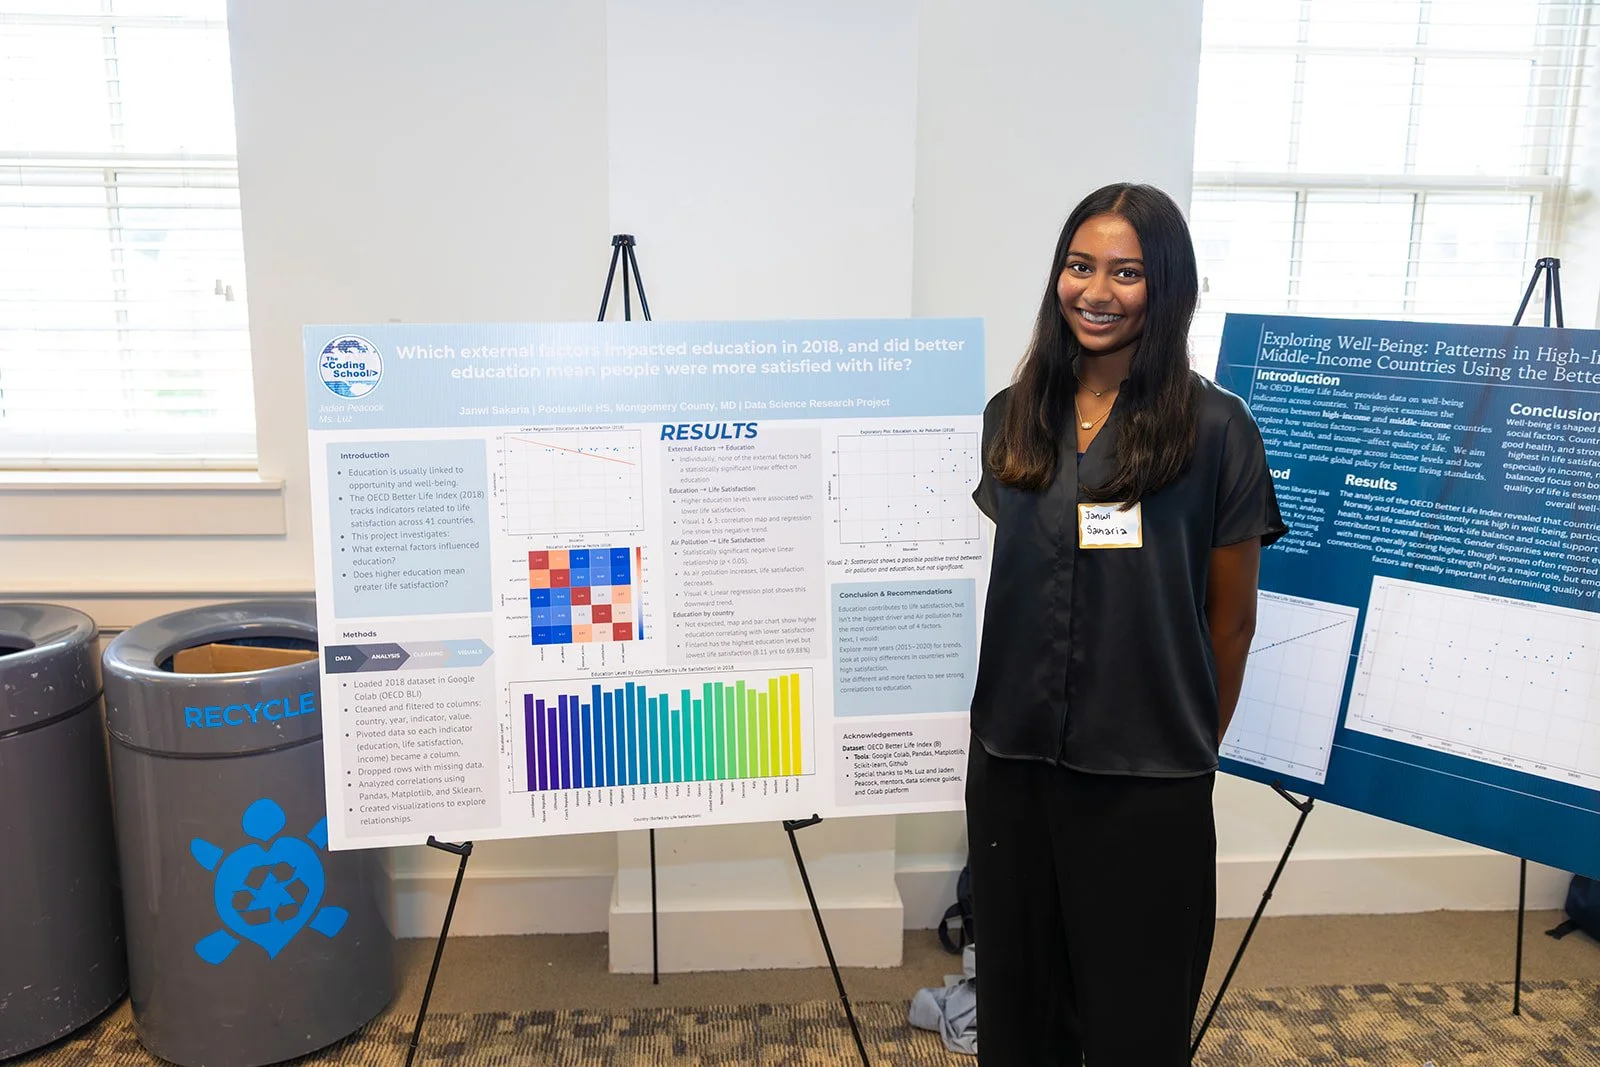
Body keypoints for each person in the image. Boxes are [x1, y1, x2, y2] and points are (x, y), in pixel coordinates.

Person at [966, 182, 1286, 1065]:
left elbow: (1233, 622)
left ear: (1167, 286)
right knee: (1020, 1013)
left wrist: (1189, 751)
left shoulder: (1218, 431)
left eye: (1126, 271)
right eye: (1079, 265)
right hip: (1013, 761)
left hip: (1146, 779)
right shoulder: (1012, 417)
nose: (1095, 290)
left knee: (1133, 1021)